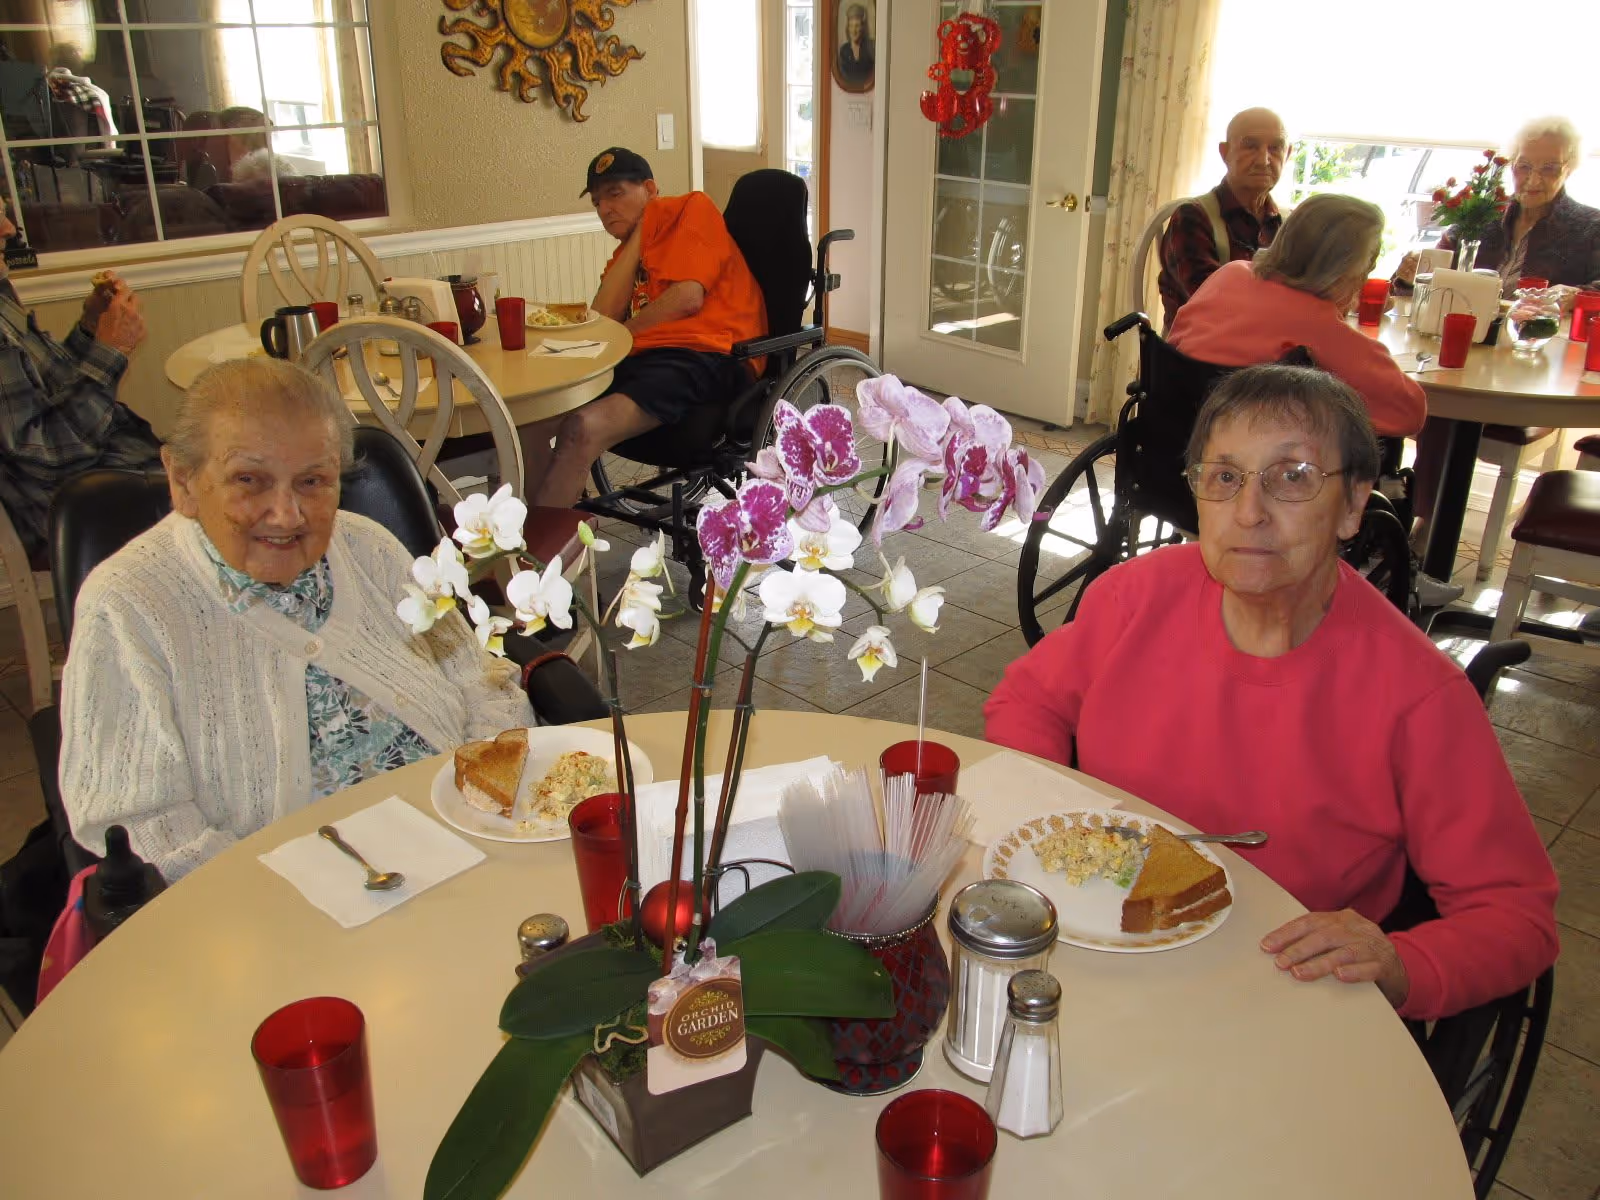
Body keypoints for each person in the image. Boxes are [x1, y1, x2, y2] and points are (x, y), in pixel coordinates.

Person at [984, 364, 1558, 1022]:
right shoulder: (1136, 597)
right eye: (1225, 478)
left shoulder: (1419, 695)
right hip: (1094, 941)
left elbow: (1517, 914)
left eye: (1294, 478)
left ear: (1351, 506)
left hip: (1274, 994)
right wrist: (1047, 819)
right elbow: (1029, 704)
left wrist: (1405, 965)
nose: (1249, 512)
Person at [60, 358, 533, 881]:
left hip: (472, 842)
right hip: (282, 904)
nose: (287, 514)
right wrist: (291, 894)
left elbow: (482, 683)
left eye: (313, 481)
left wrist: (485, 807)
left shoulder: (368, 547)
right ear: (183, 480)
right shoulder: (129, 603)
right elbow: (136, 822)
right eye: (249, 480)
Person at [520, 148, 766, 509]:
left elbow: (687, 298)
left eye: (615, 193)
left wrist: (622, 335)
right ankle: (549, 528)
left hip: (704, 353)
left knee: (583, 427)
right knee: (530, 422)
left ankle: (541, 557)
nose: (605, 209)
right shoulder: (627, 251)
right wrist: (637, 239)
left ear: (650, 189)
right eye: (597, 202)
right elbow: (603, 315)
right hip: (642, 357)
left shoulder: (690, 209)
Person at [1168, 194, 1426, 439]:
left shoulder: (1228, 275)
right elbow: (1411, 410)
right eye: (1366, 266)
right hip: (1260, 468)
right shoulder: (1322, 329)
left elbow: (1175, 341)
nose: (1364, 278)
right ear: (1343, 271)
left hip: (1170, 442)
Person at [0, 204, 160, 562]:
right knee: (232, 499)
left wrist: (91, 328)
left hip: (100, 470)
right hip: (67, 511)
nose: (10, 229)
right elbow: (50, 455)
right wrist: (111, 350)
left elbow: (54, 391)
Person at [1397, 116, 1600, 298]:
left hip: (1539, 336)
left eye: (1549, 168)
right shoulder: (1481, 215)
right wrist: (1412, 274)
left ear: (1569, 169)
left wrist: (1576, 294)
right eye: (1524, 166)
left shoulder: (1591, 227)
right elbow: (1429, 279)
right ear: (1511, 165)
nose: (1534, 180)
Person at [1156, 107, 1288, 332]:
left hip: (1266, 354)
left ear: (1288, 154)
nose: (1264, 160)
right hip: (1198, 358)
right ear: (1225, 152)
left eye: (1275, 148)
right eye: (1250, 145)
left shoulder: (1288, 225)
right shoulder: (1192, 217)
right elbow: (1213, 305)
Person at [836, 3, 874, 90]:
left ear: (863, 27)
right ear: (848, 28)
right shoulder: (844, 51)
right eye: (851, 26)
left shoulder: (871, 47)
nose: (854, 30)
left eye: (857, 26)